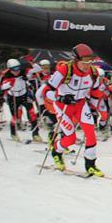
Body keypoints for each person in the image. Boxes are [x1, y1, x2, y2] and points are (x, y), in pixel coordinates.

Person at [39, 44, 107, 176]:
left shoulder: (94, 73)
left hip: (81, 105)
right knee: (70, 138)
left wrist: (93, 109)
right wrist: (60, 97)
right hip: (63, 106)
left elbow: (95, 92)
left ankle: (90, 165)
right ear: (76, 59)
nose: (88, 64)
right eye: (84, 61)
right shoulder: (65, 70)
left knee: (91, 134)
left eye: (90, 60)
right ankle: (56, 152)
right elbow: (46, 91)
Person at [0, 58, 40, 142]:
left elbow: (38, 69)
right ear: (10, 69)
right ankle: (13, 134)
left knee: (32, 114)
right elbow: (2, 87)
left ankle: (35, 134)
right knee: (15, 117)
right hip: (13, 96)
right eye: (14, 69)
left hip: (24, 95)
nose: (17, 71)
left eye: (18, 68)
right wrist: (9, 84)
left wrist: (31, 63)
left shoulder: (23, 71)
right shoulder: (7, 75)